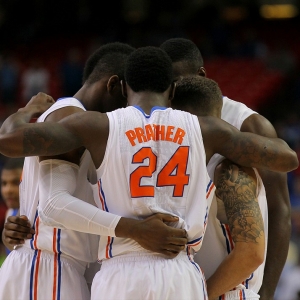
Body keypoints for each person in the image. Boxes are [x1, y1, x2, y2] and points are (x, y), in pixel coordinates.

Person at [0, 46, 297, 299]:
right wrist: (226, 141)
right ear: (172, 90)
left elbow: (10, 142)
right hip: (181, 271)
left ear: (125, 86)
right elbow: (285, 158)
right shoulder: (206, 129)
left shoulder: (99, 125)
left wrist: (29, 109)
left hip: (120, 273)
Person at [0, 43, 188, 300]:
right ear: (113, 85)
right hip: (47, 267)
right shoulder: (69, 117)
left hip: (57, 266)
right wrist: (137, 230)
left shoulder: (87, 127)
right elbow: (53, 205)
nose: (130, 109)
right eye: (127, 96)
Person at [160, 37, 291, 300]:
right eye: (166, 85)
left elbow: (280, 210)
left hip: (234, 286)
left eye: (177, 82)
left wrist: (267, 292)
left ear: (201, 76)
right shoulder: (167, 118)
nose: (172, 92)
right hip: (186, 282)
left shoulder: (247, 124)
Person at [172, 75, 267, 299]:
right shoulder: (185, 162)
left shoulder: (229, 169)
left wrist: (205, 295)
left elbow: (252, 253)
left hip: (226, 293)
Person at [0, 158, 24, 255]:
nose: (8, 190)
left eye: (16, 183)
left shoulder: (39, 215)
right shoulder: (10, 212)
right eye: (4, 183)